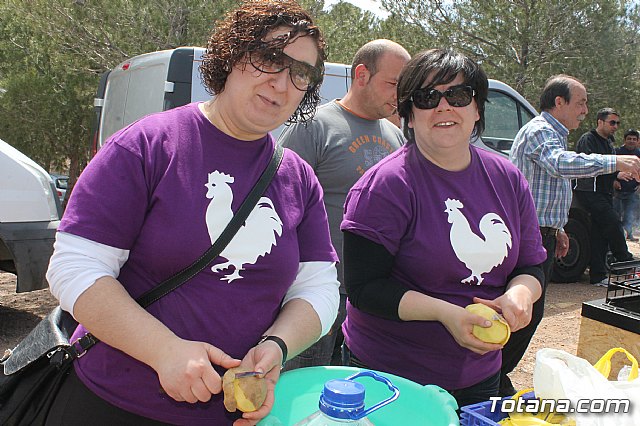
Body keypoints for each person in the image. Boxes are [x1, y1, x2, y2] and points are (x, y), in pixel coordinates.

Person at [44, 1, 340, 425]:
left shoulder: (299, 177)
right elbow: (75, 267)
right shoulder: (146, 146)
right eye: (270, 57)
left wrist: (276, 347)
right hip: (112, 403)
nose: (281, 81)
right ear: (232, 54)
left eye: (301, 73)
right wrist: (163, 350)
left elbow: (320, 289)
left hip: (232, 415)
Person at [339, 48, 547, 408]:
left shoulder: (509, 179)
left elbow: (532, 265)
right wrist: (445, 313)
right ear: (409, 114)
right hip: (390, 379)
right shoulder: (386, 185)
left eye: (459, 95)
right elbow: (364, 288)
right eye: (426, 97)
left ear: (477, 108)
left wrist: (521, 295)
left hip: (480, 375)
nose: (444, 106)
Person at [278, 39, 410, 370]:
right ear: (362, 74)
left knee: (355, 392)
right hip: (318, 291)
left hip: (372, 296)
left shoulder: (396, 138)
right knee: (304, 383)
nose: (399, 96)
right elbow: (280, 203)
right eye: (393, 84)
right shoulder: (313, 126)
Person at [509, 76, 640, 396]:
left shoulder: (550, 134)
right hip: (531, 235)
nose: (585, 110)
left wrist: (559, 229)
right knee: (523, 312)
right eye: (580, 102)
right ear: (559, 102)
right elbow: (559, 165)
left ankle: (494, 376)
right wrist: (614, 162)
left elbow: (544, 185)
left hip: (542, 232)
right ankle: (490, 377)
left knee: (529, 312)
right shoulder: (541, 131)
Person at [574, 108, 635, 286]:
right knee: (613, 222)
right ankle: (625, 261)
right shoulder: (588, 139)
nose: (615, 126)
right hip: (589, 191)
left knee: (599, 234)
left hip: (605, 192)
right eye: (612, 122)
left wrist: (618, 175)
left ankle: (598, 275)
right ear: (600, 122)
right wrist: (616, 172)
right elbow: (590, 165)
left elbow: (611, 167)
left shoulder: (609, 143)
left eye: (617, 123)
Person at [614, 129, 640, 241]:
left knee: (630, 215)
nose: (632, 141)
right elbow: (610, 168)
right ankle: (618, 237)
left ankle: (629, 234)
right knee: (615, 215)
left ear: (638, 141)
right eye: (629, 139)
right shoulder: (617, 152)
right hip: (617, 190)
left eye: (634, 139)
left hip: (633, 190)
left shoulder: (639, 154)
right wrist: (614, 180)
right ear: (625, 140)